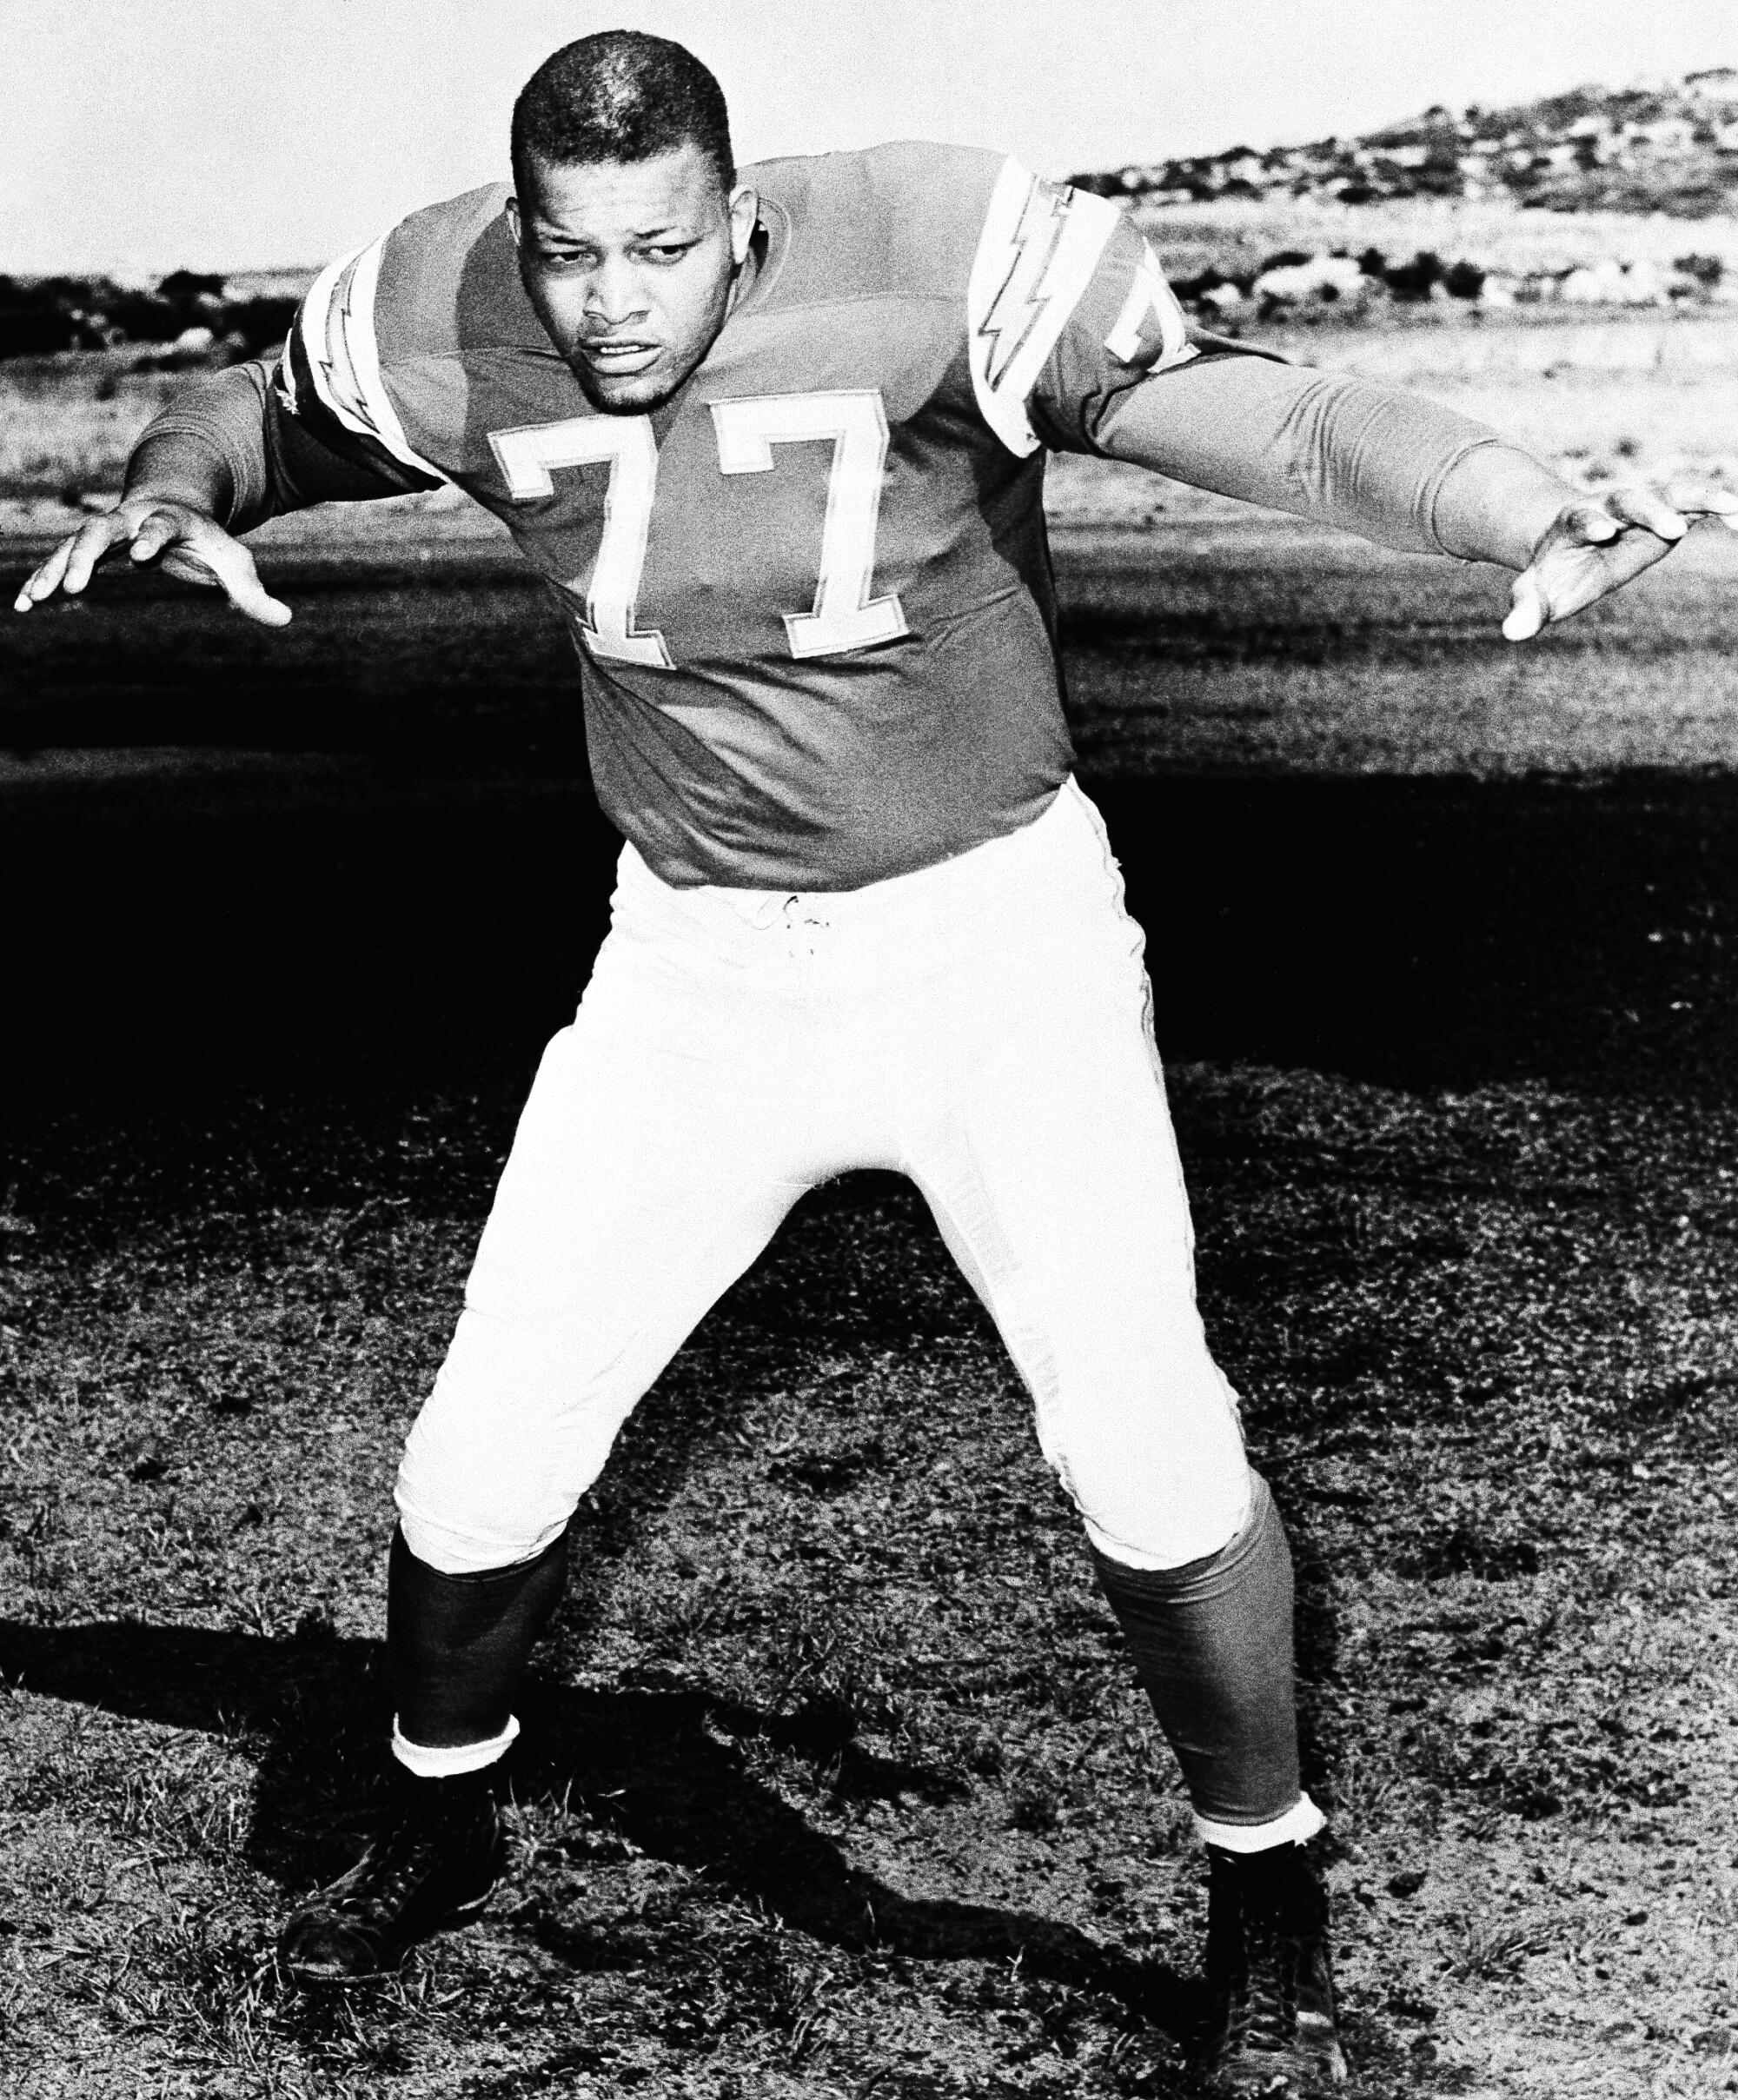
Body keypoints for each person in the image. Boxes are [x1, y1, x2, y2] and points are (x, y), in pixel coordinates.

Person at [14, 31, 1711, 2092]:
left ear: (736, 218)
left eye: (658, 251)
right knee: (478, 1455)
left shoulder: (922, 250)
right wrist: (167, 494)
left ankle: (1268, 1896)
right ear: (524, 237)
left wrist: (1504, 500)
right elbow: (252, 414)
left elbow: (1249, 410)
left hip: (989, 937)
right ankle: (442, 1794)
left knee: (1148, 1446)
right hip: (698, 965)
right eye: (571, 257)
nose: (612, 301)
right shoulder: (445, 302)